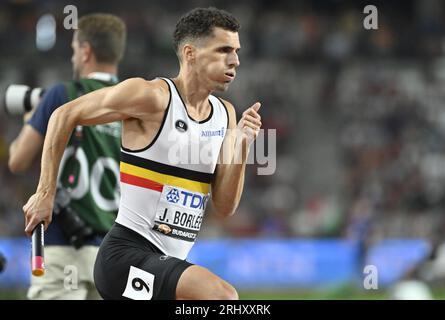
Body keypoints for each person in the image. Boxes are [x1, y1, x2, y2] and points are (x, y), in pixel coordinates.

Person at [23, 7, 262, 300]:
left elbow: (224, 208)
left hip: (164, 262)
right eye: (224, 50)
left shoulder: (226, 115)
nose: (235, 60)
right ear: (190, 53)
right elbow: (63, 114)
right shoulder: (152, 97)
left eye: (236, 51)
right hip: (125, 256)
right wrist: (45, 193)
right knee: (223, 296)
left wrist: (241, 145)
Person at [9, 13, 126, 299]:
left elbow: (17, 160)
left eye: (75, 50)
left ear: (85, 51)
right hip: (117, 251)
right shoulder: (136, 104)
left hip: (63, 245)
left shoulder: (63, 95)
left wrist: (31, 119)